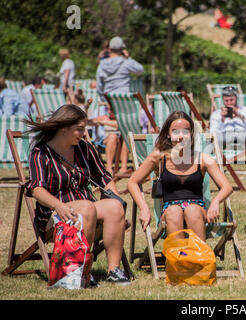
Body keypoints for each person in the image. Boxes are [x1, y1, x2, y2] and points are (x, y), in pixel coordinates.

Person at [24, 104, 130, 285]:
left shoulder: (84, 148)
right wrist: (58, 205)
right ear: (64, 128)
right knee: (88, 207)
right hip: (54, 215)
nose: (83, 133)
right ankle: (82, 272)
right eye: (79, 129)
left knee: (114, 206)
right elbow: (36, 189)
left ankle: (114, 270)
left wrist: (114, 196)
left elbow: (104, 177)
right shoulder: (41, 152)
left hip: (86, 209)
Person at [127, 111, 233, 241]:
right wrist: (143, 208)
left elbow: (227, 187)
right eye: (175, 131)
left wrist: (215, 202)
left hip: (197, 211)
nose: (181, 136)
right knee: (174, 211)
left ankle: (198, 258)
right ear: (168, 134)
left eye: (186, 131)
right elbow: (132, 182)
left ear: (191, 134)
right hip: (170, 213)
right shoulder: (159, 158)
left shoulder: (203, 159)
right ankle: (179, 258)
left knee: (192, 210)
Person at [96, 36, 145, 174]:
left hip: (110, 101)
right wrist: (128, 58)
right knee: (126, 130)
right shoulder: (125, 62)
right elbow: (140, 69)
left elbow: (99, 86)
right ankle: (123, 166)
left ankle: (109, 167)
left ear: (109, 49)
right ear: (122, 49)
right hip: (124, 102)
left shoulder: (102, 64)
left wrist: (104, 99)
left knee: (115, 133)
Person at [209, 86, 246, 166]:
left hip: (243, 135)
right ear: (223, 100)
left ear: (236, 98)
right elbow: (212, 131)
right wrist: (222, 119)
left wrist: (240, 116)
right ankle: (205, 166)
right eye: (226, 101)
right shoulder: (217, 114)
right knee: (206, 137)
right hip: (224, 136)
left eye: (232, 100)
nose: (229, 103)